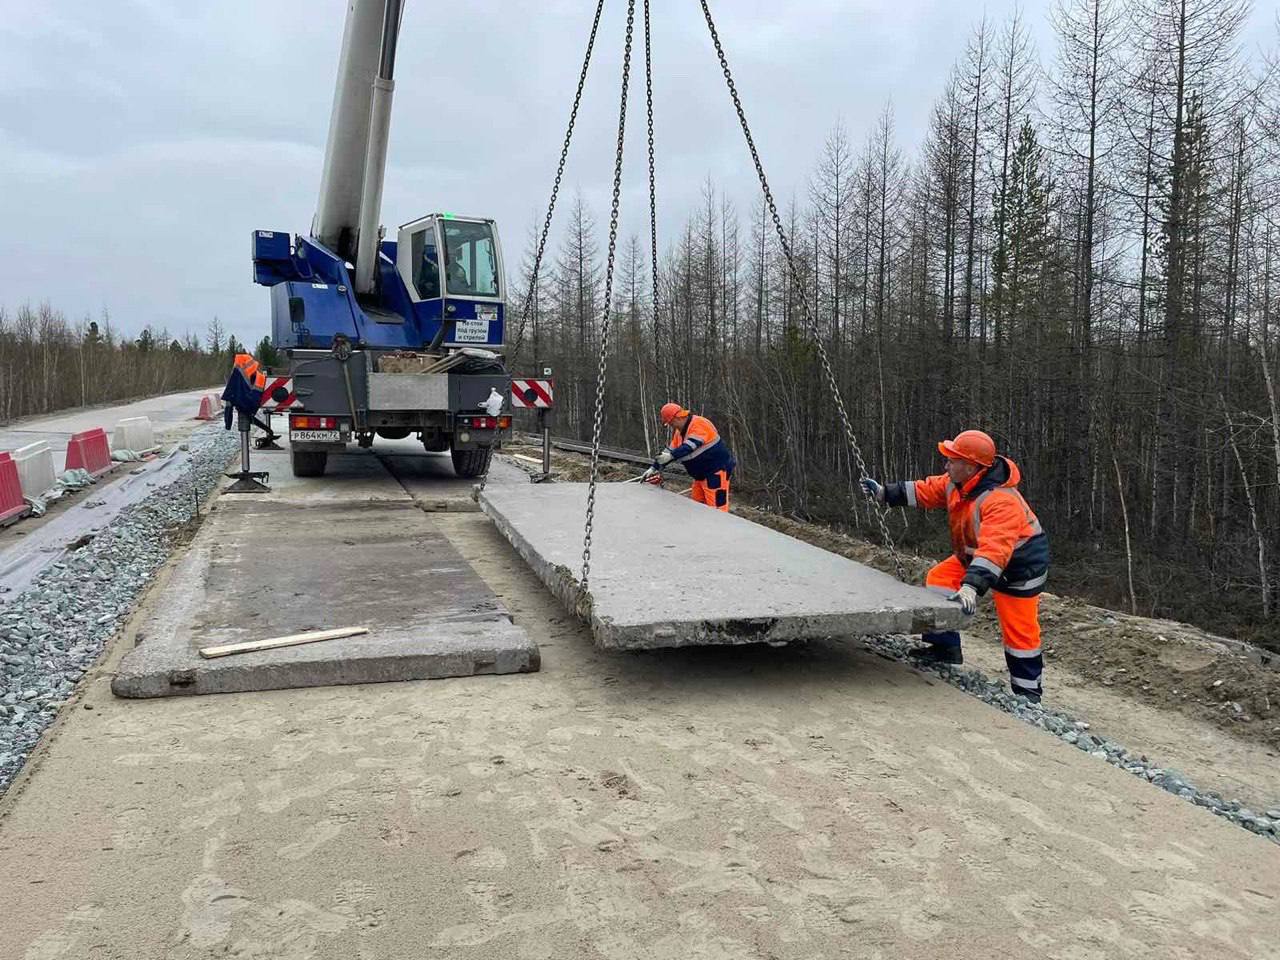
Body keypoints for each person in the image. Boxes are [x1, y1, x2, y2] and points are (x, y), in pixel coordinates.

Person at [861, 429, 1049, 702]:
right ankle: (945, 648)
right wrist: (883, 493)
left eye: (952, 459)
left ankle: (1028, 694)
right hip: (975, 556)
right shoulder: (957, 482)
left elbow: (995, 549)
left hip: (1019, 567)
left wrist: (971, 587)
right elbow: (925, 489)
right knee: (939, 580)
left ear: (970, 466)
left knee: (1019, 631)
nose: (946, 464)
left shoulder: (1001, 501)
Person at [642, 403, 736, 511]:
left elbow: (689, 446)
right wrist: (654, 468)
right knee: (697, 507)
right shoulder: (680, 432)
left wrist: (671, 456)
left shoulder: (699, 424)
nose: (672, 427)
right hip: (701, 475)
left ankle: (719, 528)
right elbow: (669, 451)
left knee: (717, 510)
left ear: (676, 418)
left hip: (716, 473)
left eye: (671, 423)